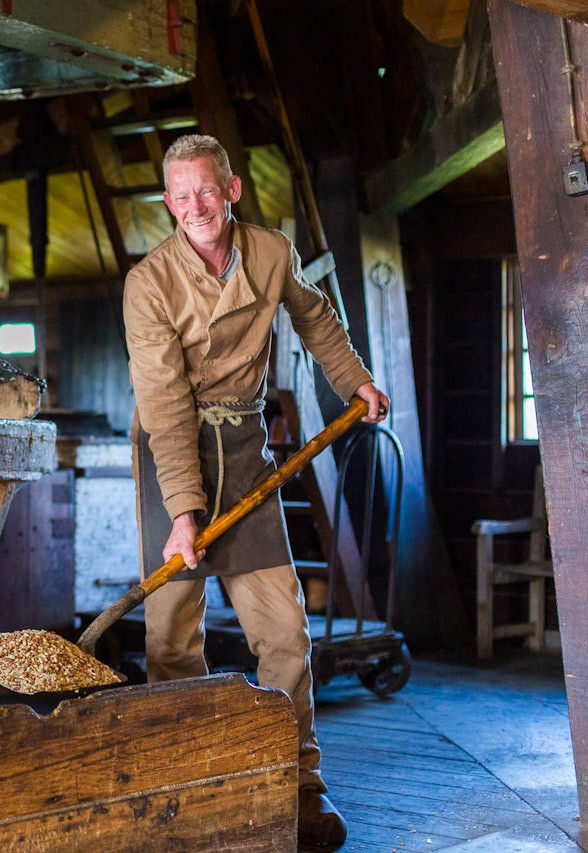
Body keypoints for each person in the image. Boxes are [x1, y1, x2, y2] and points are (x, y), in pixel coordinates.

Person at [123, 133, 389, 850]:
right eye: (180, 197)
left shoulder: (270, 251)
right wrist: (184, 513)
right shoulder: (149, 284)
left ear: (231, 189)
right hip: (170, 453)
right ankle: (182, 785)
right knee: (173, 632)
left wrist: (354, 380)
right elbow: (168, 406)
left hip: (245, 446)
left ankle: (298, 784)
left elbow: (315, 318)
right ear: (169, 204)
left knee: (284, 630)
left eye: (206, 190)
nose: (195, 207)